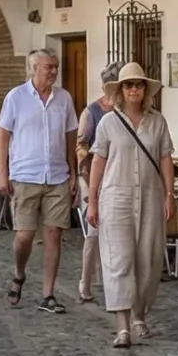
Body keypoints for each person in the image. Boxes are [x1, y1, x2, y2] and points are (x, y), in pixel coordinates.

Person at [86, 62, 175, 348]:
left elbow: (165, 158)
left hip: (150, 196)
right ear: (120, 90)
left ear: (145, 90)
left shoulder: (158, 122)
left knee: (148, 259)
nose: (134, 89)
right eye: (128, 85)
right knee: (119, 260)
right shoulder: (108, 123)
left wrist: (170, 194)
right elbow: (98, 162)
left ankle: (140, 316)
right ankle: (122, 327)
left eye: (138, 85)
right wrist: (92, 201)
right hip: (116, 197)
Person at [0, 50, 78, 312]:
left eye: (56, 67)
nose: (54, 71)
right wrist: (1, 173)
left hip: (57, 176)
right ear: (34, 68)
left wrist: (73, 173)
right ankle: (19, 273)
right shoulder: (16, 97)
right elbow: (2, 136)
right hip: (24, 175)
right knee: (24, 236)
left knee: (53, 234)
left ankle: (48, 295)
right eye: (48, 67)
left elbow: (70, 137)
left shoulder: (64, 98)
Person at [74, 78, 115, 303]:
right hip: (92, 177)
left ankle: (114, 283)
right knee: (94, 232)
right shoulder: (91, 112)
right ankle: (85, 281)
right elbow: (81, 146)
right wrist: (88, 181)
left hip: (117, 179)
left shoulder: (126, 111)